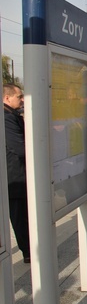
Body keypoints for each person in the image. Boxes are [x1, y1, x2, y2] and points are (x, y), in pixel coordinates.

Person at [3, 84, 31, 263]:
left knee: (23, 214)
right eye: (19, 97)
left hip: (19, 173)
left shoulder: (12, 115)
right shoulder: (6, 119)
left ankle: (29, 247)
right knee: (19, 215)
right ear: (7, 98)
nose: (22, 100)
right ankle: (28, 251)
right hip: (14, 176)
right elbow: (20, 148)